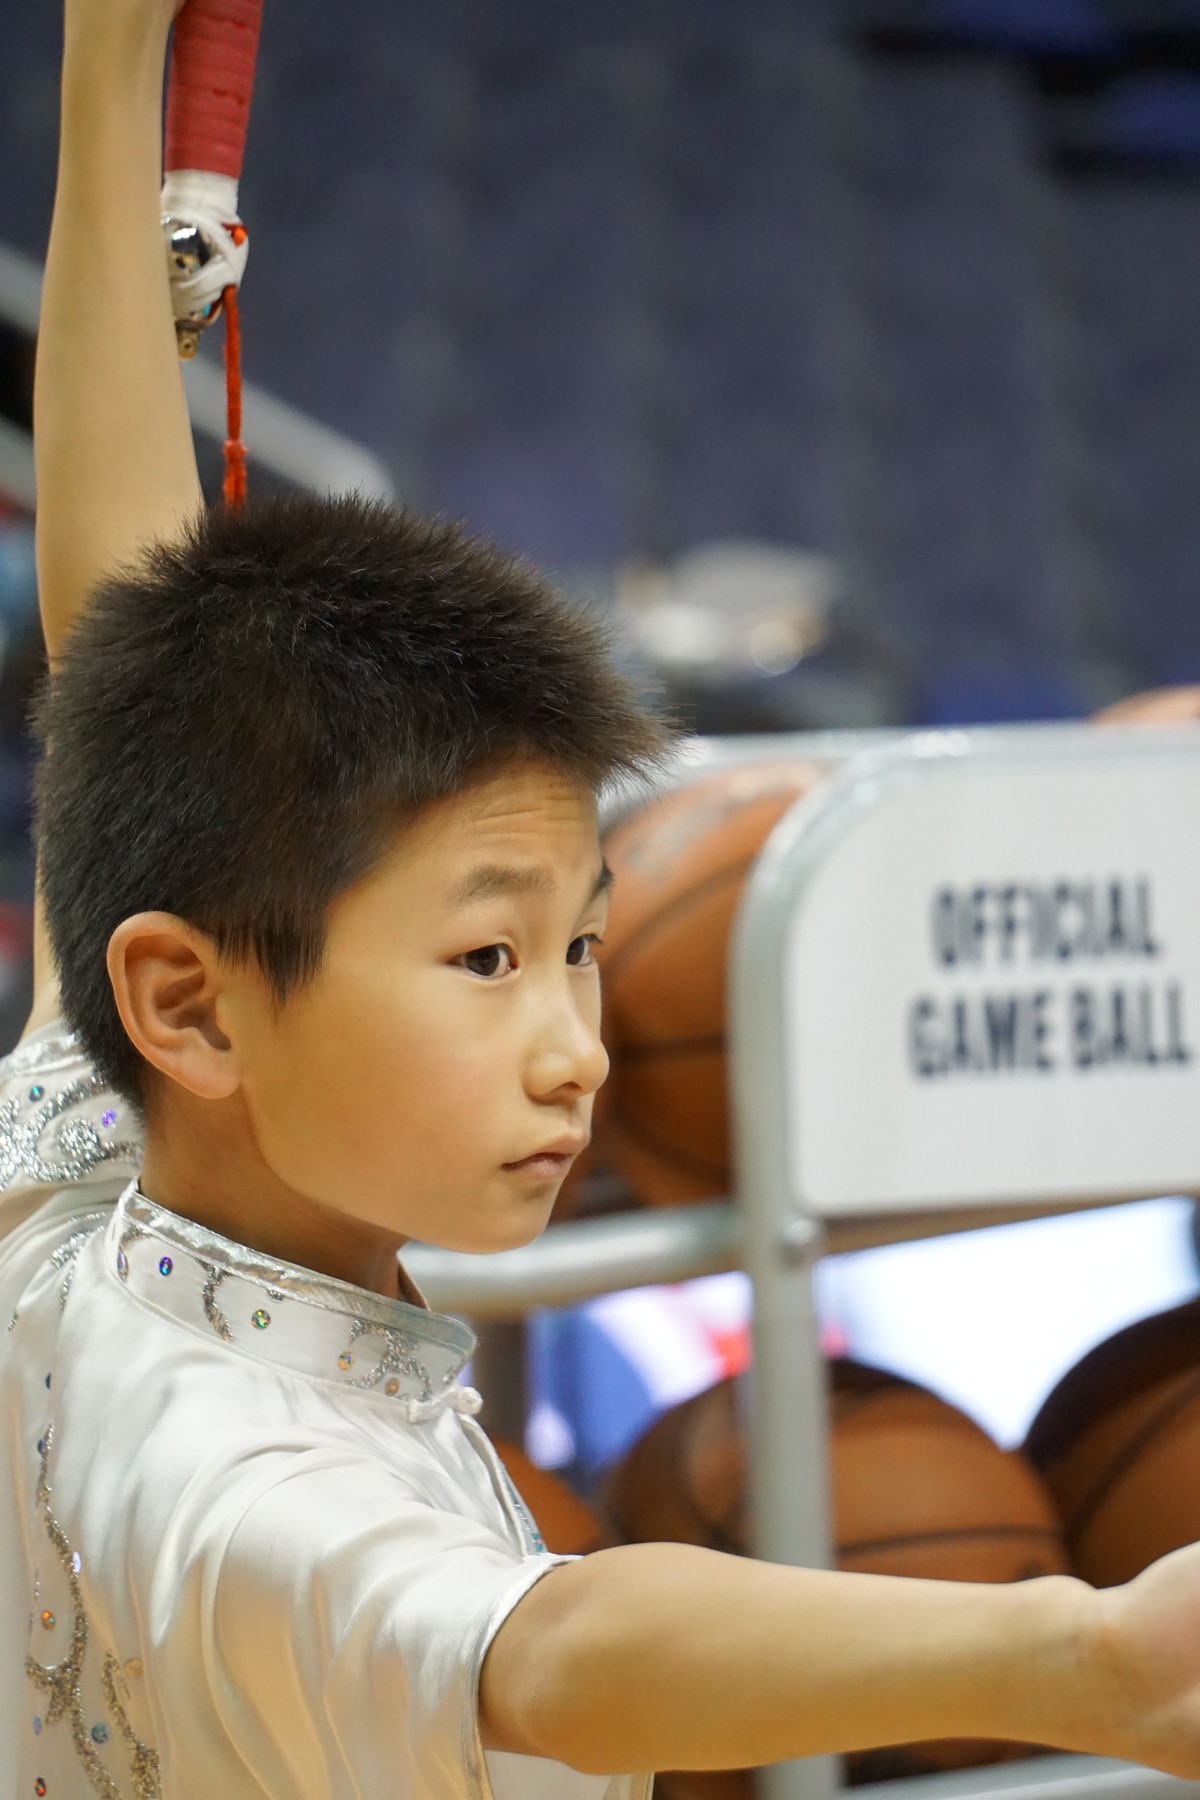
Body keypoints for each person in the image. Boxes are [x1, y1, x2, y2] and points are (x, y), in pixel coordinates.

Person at [7, 2, 1200, 1798]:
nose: (576, 1046)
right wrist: (1086, 1658)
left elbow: (111, 618)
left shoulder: (81, 1144)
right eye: (487, 957)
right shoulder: (231, 1473)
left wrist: (110, 75)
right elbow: (565, 1649)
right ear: (191, 1003)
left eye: (578, 946)